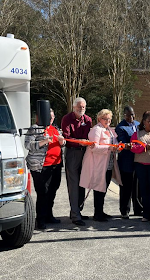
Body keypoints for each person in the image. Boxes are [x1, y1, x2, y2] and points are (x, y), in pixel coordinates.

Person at [25, 109, 66, 229]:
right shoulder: (34, 128)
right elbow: (28, 145)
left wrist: (62, 142)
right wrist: (44, 141)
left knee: (53, 190)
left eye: (52, 117)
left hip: (56, 165)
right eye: (49, 117)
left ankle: (49, 215)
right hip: (40, 166)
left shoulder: (55, 129)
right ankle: (40, 219)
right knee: (43, 192)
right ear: (40, 116)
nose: (51, 119)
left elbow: (61, 144)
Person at [79, 109, 122, 222]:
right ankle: (97, 213)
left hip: (109, 163)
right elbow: (94, 147)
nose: (107, 120)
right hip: (99, 164)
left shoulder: (109, 129)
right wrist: (109, 148)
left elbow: (115, 142)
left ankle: (100, 211)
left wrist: (117, 146)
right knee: (98, 188)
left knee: (104, 188)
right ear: (99, 119)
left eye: (109, 119)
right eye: (105, 118)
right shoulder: (96, 130)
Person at [61, 97, 93, 226]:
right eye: (79, 107)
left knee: (82, 183)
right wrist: (80, 141)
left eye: (83, 107)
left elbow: (88, 136)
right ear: (74, 107)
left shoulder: (88, 120)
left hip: (85, 153)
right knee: (73, 184)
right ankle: (75, 215)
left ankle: (78, 210)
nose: (81, 109)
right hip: (72, 153)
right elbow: (67, 137)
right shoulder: (67, 119)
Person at [116, 106, 143, 219]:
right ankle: (124, 210)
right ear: (124, 115)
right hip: (126, 161)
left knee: (137, 187)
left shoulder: (138, 125)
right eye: (128, 115)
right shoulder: (120, 127)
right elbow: (123, 142)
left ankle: (138, 209)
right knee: (126, 187)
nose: (130, 117)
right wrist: (130, 145)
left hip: (138, 160)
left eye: (132, 115)